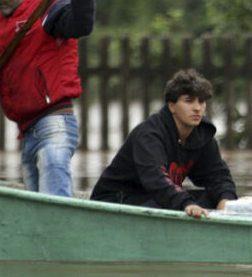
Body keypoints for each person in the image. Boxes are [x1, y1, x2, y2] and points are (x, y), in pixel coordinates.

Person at [0, 0, 95, 197]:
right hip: (27, 132)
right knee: (35, 211)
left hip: (54, 123)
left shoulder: (48, 7)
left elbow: (81, 25)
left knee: (52, 203)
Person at [90, 69, 238, 219]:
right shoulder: (149, 135)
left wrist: (226, 200)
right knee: (173, 204)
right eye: (189, 100)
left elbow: (218, 175)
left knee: (213, 198)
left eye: (201, 101)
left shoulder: (202, 136)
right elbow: (156, 180)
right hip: (117, 200)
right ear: (171, 106)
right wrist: (186, 204)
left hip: (156, 198)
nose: (197, 108)